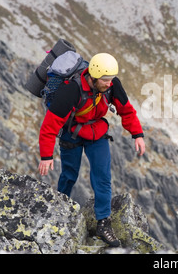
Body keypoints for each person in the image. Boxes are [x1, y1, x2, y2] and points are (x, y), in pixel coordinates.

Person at [37, 52, 145, 247]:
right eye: (105, 80)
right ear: (93, 77)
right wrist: (46, 156)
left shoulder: (112, 85)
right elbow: (50, 125)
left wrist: (138, 134)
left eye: (111, 79)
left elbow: (126, 110)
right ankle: (60, 209)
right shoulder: (71, 90)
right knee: (69, 175)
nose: (109, 83)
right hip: (72, 132)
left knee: (102, 177)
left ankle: (104, 222)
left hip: (96, 132)